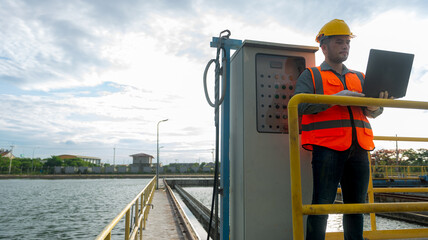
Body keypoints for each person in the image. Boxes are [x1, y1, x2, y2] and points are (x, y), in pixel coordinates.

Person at [294, 19, 389, 240]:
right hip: (327, 148)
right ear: (324, 47)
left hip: (359, 148)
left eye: (347, 42)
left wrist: (375, 106)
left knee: (357, 206)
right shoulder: (312, 75)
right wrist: (335, 99)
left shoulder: (360, 77)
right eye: (339, 42)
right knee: (321, 205)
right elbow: (299, 105)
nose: (345, 46)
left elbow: (373, 112)